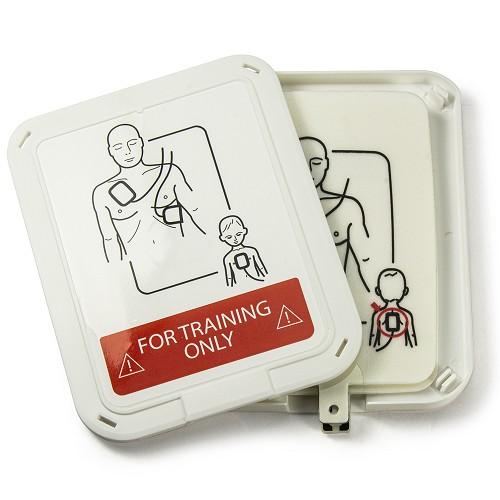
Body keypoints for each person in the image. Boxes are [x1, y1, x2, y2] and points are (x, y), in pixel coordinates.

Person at [92, 124, 204, 262]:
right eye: (118, 147)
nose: (127, 152)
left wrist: (214, 245)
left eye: (132, 143)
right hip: (142, 267)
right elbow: (109, 239)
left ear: (141, 142)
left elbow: (195, 211)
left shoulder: (169, 172)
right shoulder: (103, 193)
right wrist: (118, 271)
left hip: (184, 257)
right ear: (111, 151)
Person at [300, 136, 371, 291]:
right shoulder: (279, 213)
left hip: (339, 294)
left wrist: (374, 302)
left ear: (326, 164)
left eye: (316, 163)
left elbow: (365, 260)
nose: (309, 169)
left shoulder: (348, 206)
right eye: (301, 162)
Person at [369, 268, 417, 352]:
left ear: (378, 291)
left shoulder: (378, 315)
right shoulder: (406, 315)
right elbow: (412, 338)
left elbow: (373, 338)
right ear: (405, 291)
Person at [219, 215, 267, 287]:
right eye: (229, 237)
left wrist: (266, 279)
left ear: (244, 231)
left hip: (259, 283)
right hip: (241, 286)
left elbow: (261, 267)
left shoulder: (251, 251)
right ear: (223, 238)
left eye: (238, 234)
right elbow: (229, 276)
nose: (235, 239)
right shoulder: (228, 258)